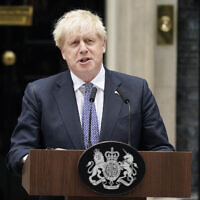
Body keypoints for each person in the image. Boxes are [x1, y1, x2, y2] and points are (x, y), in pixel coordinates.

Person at [7, 9, 174, 199]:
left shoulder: (136, 90)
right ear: (63, 52)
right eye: (74, 43)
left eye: (89, 41)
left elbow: (161, 149)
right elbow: (17, 152)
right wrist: (43, 162)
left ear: (103, 45)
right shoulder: (39, 93)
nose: (83, 49)